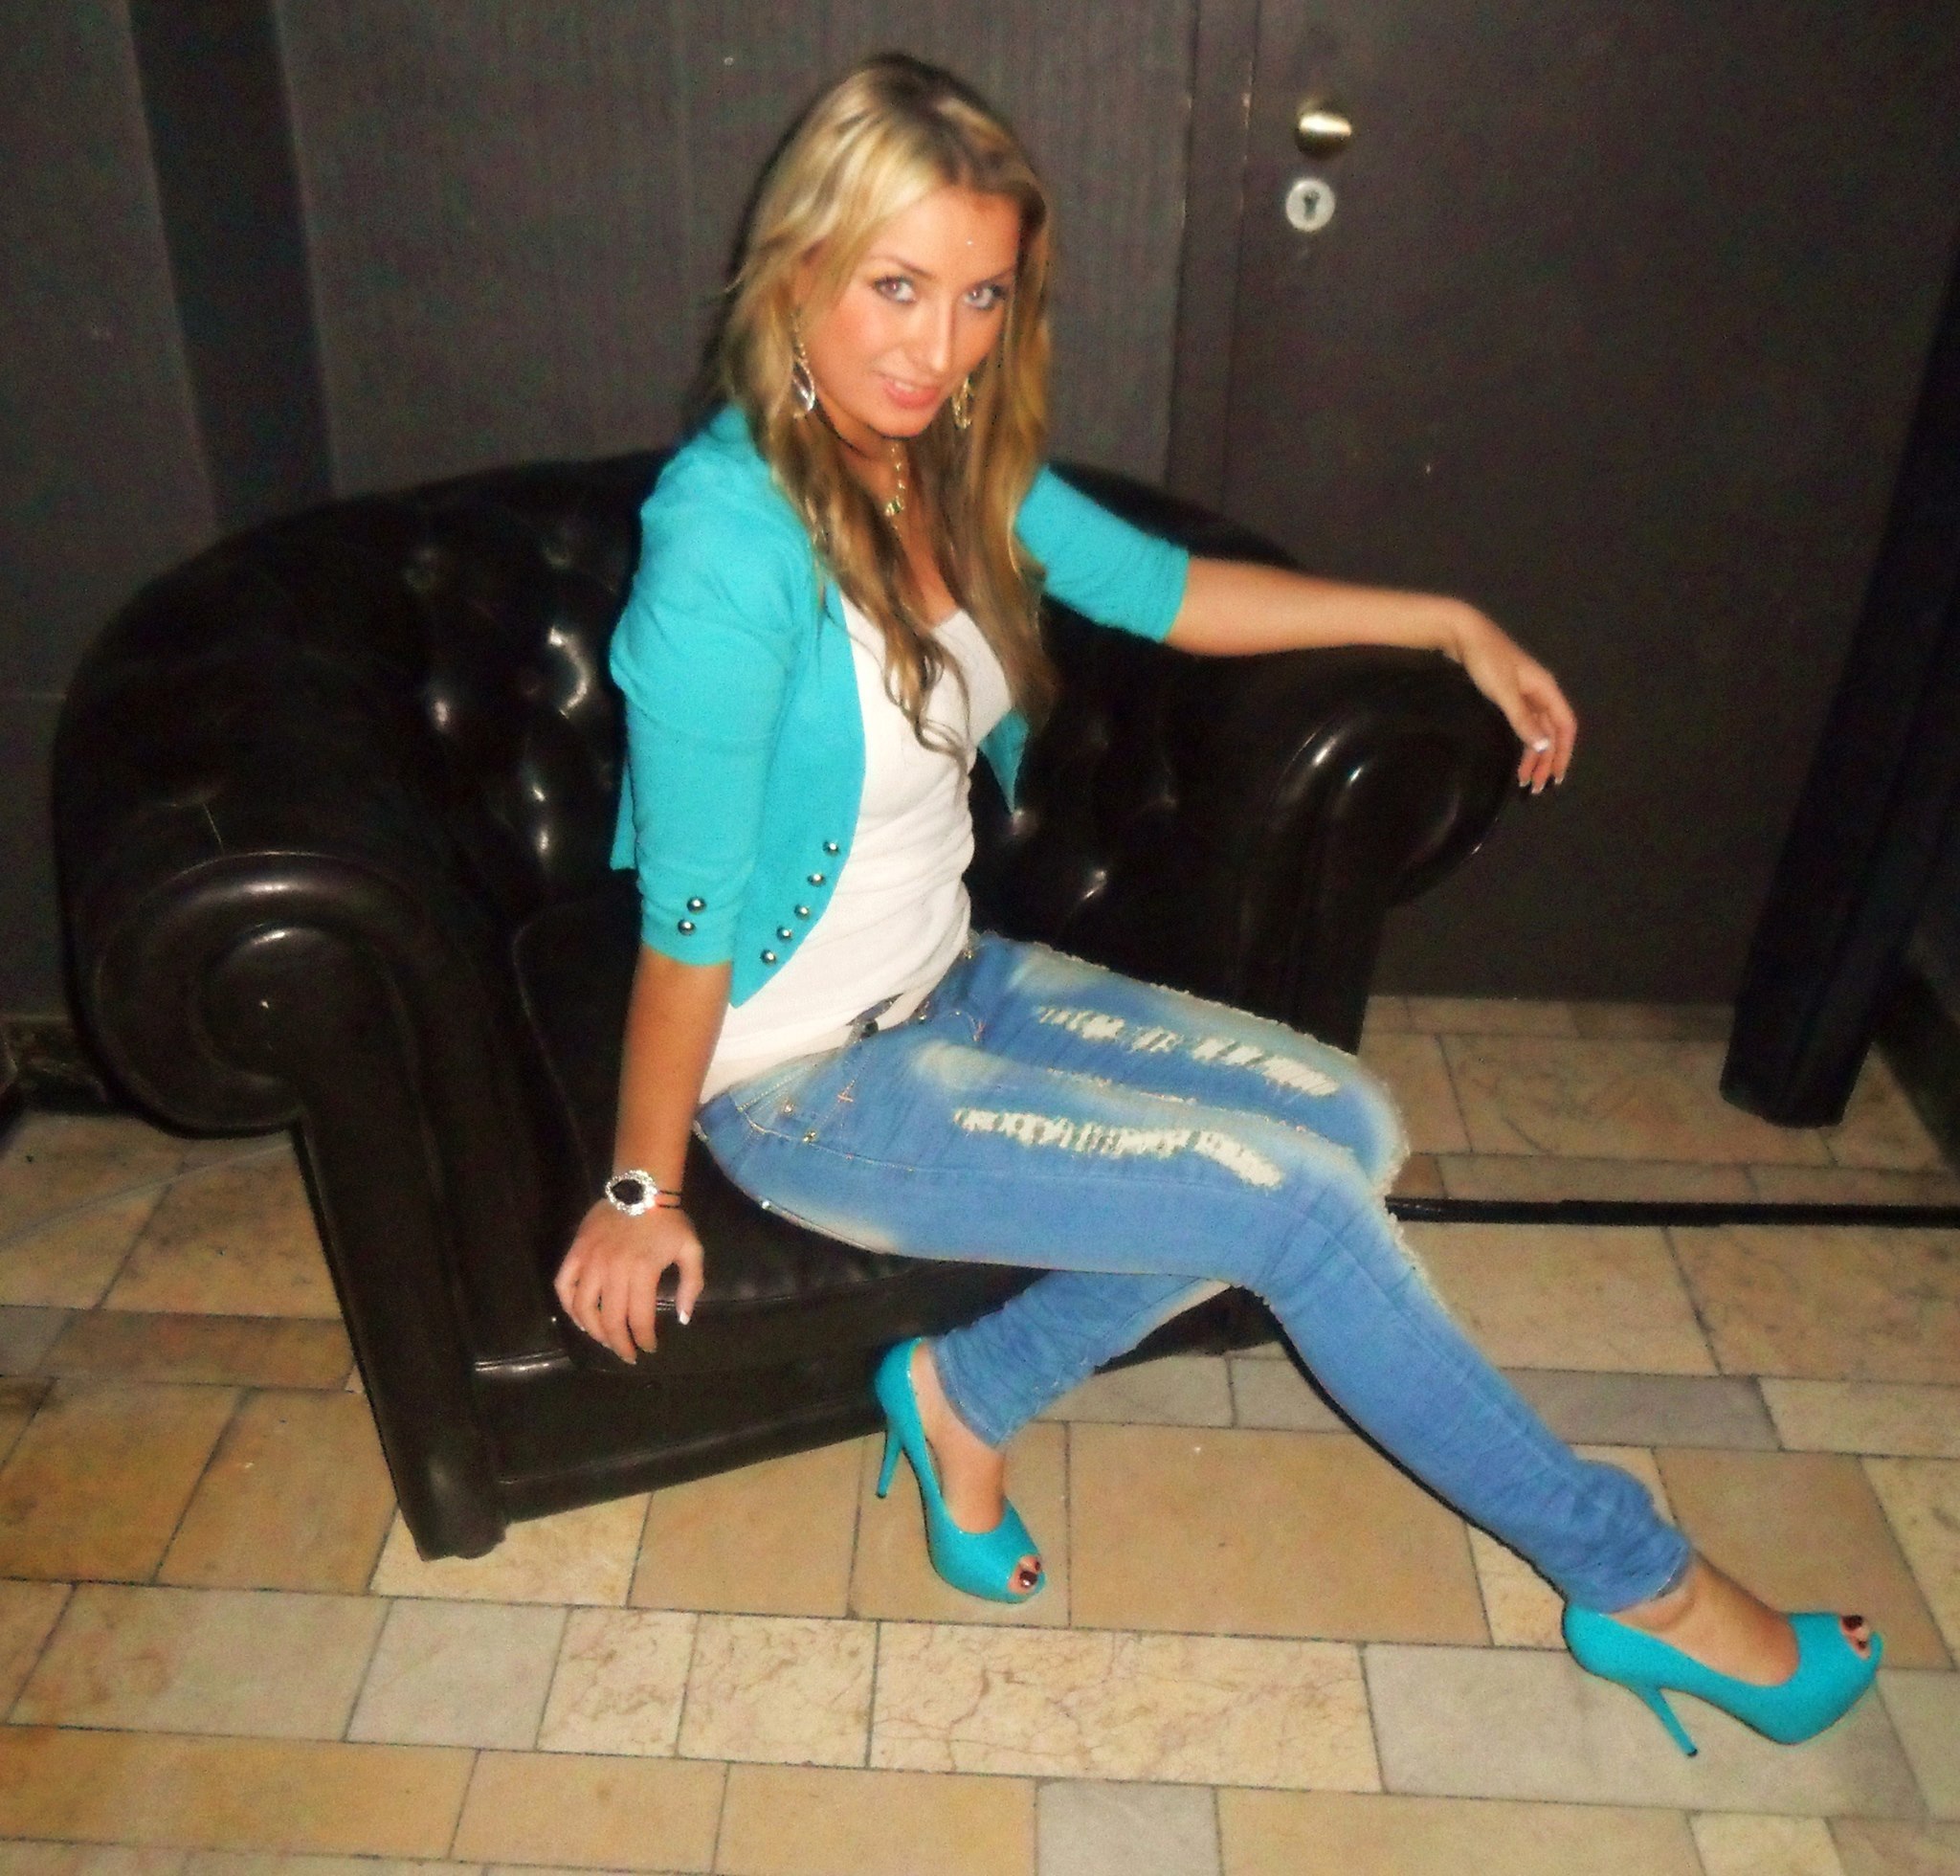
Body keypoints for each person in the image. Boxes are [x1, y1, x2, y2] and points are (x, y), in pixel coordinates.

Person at [555, 52, 1878, 1754]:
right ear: (796, 264)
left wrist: (1444, 621)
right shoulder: (725, 552)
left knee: (1355, 1126)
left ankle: (965, 1394)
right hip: (798, 1076)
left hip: (954, 978)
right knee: (1296, 1214)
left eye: (979, 297)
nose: (937, 348)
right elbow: (692, 919)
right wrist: (641, 1187)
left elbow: (1167, 592)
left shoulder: (936, 455)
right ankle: (1648, 1591)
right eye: (894, 286)